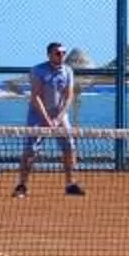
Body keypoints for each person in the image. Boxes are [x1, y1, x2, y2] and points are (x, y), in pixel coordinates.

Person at [15, 40, 86, 196]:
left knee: (69, 146)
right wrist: (46, 119)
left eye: (63, 53)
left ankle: (70, 184)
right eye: (57, 53)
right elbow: (36, 96)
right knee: (30, 150)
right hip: (37, 115)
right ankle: (21, 186)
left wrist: (59, 117)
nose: (61, 56)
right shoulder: (38, 71)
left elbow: (68, 96)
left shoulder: (68, 71)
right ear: (49, 55)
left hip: (60, 115)